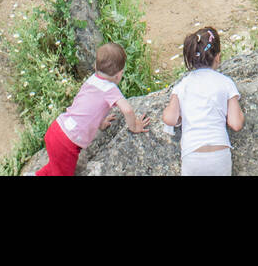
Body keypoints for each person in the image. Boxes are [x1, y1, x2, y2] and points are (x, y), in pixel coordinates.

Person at [36, 41, 149, 176]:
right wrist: (134, 126)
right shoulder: (111, 89)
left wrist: (100, 123)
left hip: (56, 129)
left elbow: (87, 106)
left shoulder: (91, 80)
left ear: (95, 66)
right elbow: (128, 110)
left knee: (56, 165)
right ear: (119, 75)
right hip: (68, 143)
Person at [162, 26, 244, 177]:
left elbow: (169, 118)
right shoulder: (226, 83)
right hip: (219, 155)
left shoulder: (182, 86)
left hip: (192, 155)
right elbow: (236, 123)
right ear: (218, 57)